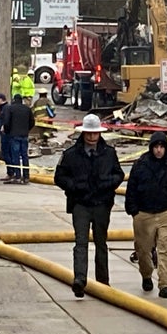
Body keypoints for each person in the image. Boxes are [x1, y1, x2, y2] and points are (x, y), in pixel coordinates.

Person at [54, 114, 125, 298]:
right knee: (81, 242)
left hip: (102, 204)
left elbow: (119, 174)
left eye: (95, 134)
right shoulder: (70, 155)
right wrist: (75, 187)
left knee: (101, 243)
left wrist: (107, 183)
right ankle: (79, 279)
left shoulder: (109, 153)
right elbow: (59, 177)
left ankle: (103, 282)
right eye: (89, 134)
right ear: (83, 133)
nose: (92, 138)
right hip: (80, 204)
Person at [125, 131, 167, 299]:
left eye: (162, 147)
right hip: (144, 213)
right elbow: (131, 188)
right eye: (156, 147)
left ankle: (165, 284)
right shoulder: (140, 165)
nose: (159, 150)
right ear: (151, 148)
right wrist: (133, 210)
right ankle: (146, 275)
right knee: (143, 250)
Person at [3, 94, 35, 184]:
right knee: (25, 156)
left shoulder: (10, 109)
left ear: (14, 100)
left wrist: (7, 131)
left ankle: (17, 176)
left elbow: (7, 122)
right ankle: (26, 177)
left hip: (14, 135)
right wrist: (26, 130)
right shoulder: (27, 109)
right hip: (24, 135)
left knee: (15, 156)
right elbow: (32, 122)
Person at [0, 93, 13, 180]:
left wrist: (3, 128)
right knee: (8, 153)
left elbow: (5, 121)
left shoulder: (5, 108)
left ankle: (10, 172)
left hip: (6, 134)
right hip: (8, 134)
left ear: (0, 99)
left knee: (6, 153)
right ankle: (11, 172)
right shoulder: (6, 107)